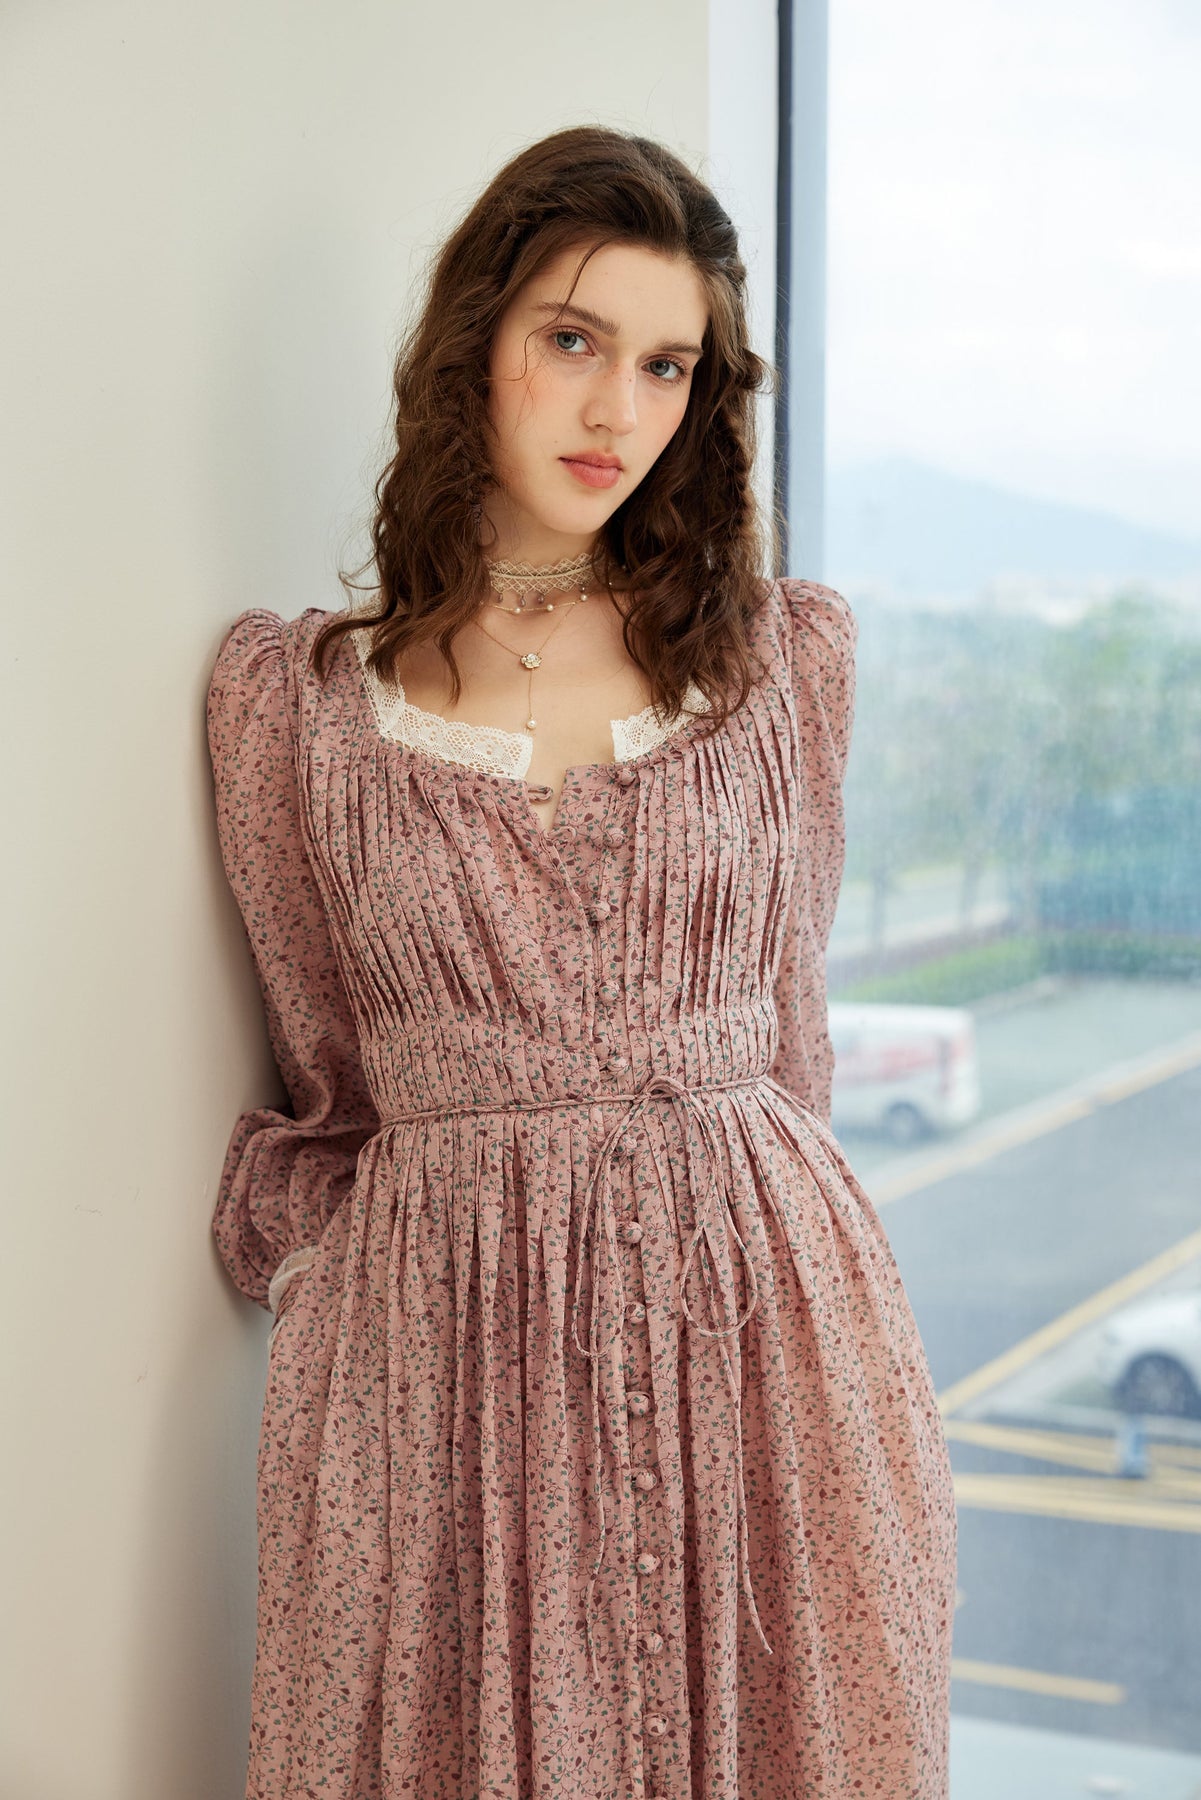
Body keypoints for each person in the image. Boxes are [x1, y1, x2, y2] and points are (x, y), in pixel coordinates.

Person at [206, 123, 956, 1800]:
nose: (617, 409)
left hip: (761, 1340)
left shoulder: (780, 665)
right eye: (571, 340)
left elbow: (792, 1038)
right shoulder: (296, 709)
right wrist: (358, 1295)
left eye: (666, 365)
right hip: (440, 1368)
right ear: (473, 341)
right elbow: (327, 1082)